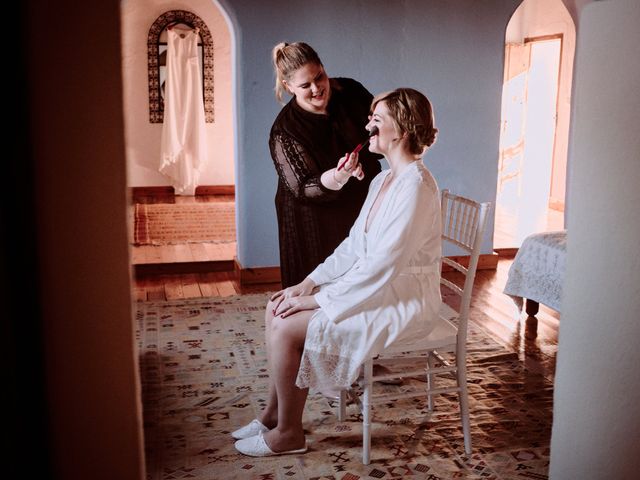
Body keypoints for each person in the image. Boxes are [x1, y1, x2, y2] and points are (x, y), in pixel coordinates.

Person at [232, 87, 442, 457]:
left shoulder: (417, 188)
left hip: (404, 297)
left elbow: (384, 266)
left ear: (403, 130)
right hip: (378, 285)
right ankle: (271, 414)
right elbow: (353, 246)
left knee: (287, 323)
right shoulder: (382, 181)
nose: (367, 125)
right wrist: (307, 283)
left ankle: (289, 433)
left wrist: (318, 301)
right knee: (277, 305)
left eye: (376, 120)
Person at [269, 42, 382, 288]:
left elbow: (380, 126)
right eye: (305, 85)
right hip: (310, 216)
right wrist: (340, 174)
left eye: (319, 76)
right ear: (289, 87)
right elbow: (304, 188)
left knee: (361, 282)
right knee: (319, 289)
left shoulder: (350, 90)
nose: (316, 88)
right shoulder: (285, 131)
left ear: (322, 67)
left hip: (360, 199)